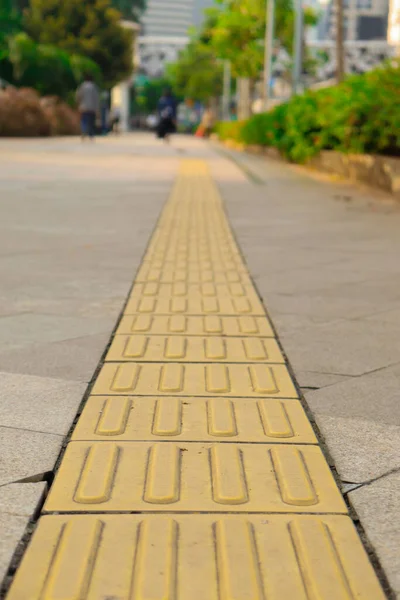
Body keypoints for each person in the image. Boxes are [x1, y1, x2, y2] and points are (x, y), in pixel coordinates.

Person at [75, 74, 100, 140]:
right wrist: (97, 109)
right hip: (92, 107)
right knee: (91, 121)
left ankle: (84, 131)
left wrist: (78, 104)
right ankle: (91, 135)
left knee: (84, 121)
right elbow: (96, 98)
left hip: (83, 107)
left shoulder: (82, 86)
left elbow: (78, 96)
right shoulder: (94, 87)